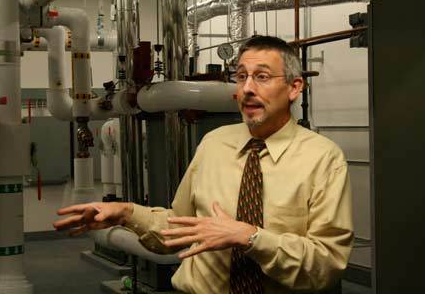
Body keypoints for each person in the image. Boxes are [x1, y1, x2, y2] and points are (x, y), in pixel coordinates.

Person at [54, 36, 353, 294]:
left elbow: (326, 264)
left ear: (294, 87)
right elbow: (178, 227)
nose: (247, 88)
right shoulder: (214, 144)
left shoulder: (323, 158)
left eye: (262, 77)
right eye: (241, 76)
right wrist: (127, 213)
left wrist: (251, 238)